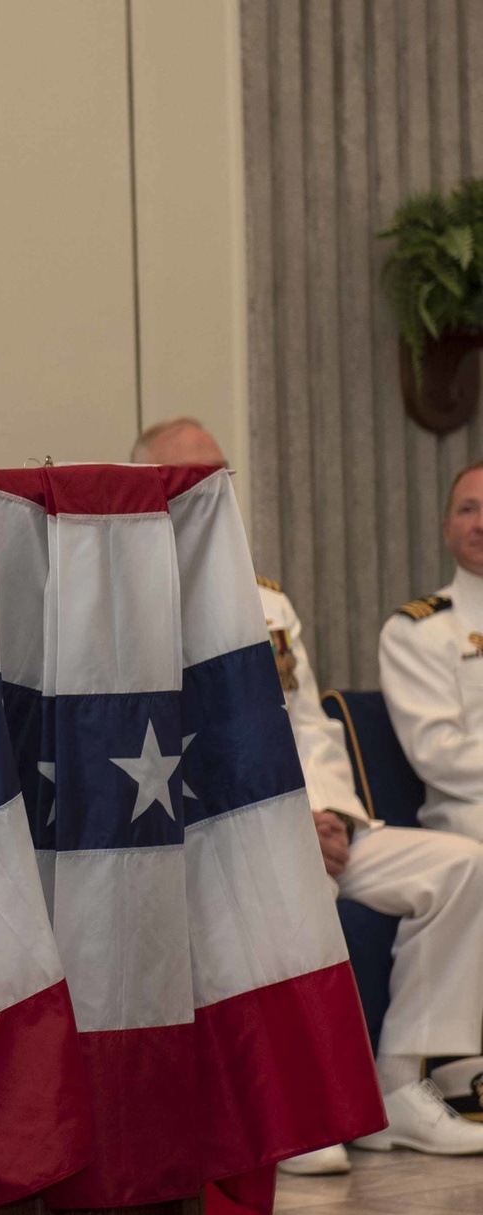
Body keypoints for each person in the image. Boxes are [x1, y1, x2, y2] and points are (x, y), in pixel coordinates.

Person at [134, 420, 483, 1168]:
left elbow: (309, 725)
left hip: (314, 825)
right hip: (220, 839)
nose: (208, 491)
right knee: (293, 893)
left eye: (220, 476)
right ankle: (292, 1110)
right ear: (144, 488)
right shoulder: (127, 603)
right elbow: (162, 749)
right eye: (187, 476)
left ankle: (395, 1091)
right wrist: (286, 830)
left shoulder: (268, 604)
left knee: (458, 867)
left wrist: (329, 814)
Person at [380, 460, 483, 842]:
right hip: (467, 812)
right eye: (467, 509)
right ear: (447, 529)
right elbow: (437, 753)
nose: (480, 524)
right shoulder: (417, 629)